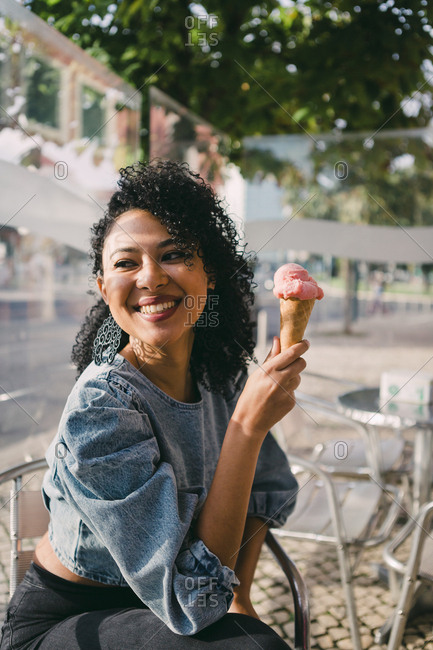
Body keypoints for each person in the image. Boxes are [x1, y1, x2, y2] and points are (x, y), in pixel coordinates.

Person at [0, 160, 309, 649]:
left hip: (160, 613)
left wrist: (240, 595)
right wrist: (246, 426)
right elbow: (192, 601)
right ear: (104, 289)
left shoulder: (219, 378)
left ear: (209, 276)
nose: (150, 277)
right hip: (70, 623)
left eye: (174, 255)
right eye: (126, 263)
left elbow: (264, 487)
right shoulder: (100, 410)